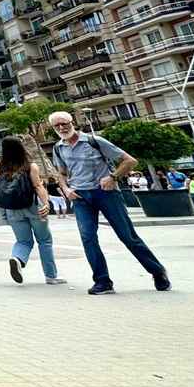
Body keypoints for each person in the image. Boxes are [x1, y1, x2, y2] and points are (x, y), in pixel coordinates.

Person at [50, 111, 169, 294]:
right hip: (80, 197)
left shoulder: (94, 141)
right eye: (57, 125)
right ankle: (103, 281)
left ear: (72, 122)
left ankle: (157, 271)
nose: (61, 128)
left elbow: (130, 161)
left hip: (106, 193)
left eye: (64, 123)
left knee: (127, 236)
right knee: (88, 238)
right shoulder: (59, 148)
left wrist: (113, 177)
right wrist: (66, 189)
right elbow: (61, 173)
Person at [0, 137, 64, 285]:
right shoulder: (30, 166)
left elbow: (0, 189)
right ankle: (51, 276)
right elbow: (38, 186)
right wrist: (46, 203)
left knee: (23, 241)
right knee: (44, 241)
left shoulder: (0, 167)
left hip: (12, 209)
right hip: (32, 207)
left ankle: (17, 258)